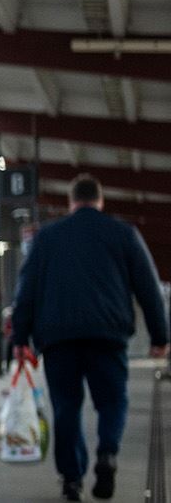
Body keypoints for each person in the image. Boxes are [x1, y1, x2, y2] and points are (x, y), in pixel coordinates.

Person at [11, 173, 169, 501]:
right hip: (107, 336)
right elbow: (149, 288)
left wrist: (19, 340)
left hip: (58, 338)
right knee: (113, 402)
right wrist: (160, 335)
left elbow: (26, 291)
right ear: (100, 201)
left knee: (66, 407)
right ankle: (107, 453)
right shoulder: (123, 234)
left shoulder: (46, 238)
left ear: (71, 202)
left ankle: (71, 481)